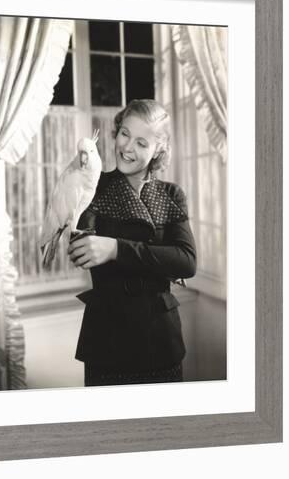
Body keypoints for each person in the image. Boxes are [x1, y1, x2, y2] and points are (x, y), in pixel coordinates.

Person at [68, 99, 196, 387]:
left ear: (158, 150)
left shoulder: (171, 194)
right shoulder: (92, 187)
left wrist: (115, 248)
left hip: (160, 340)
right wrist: (159, 262)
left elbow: (186, 261)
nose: (127, 147)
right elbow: (82, 251)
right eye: (124, 134)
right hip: (108, 339)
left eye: (141, 142)